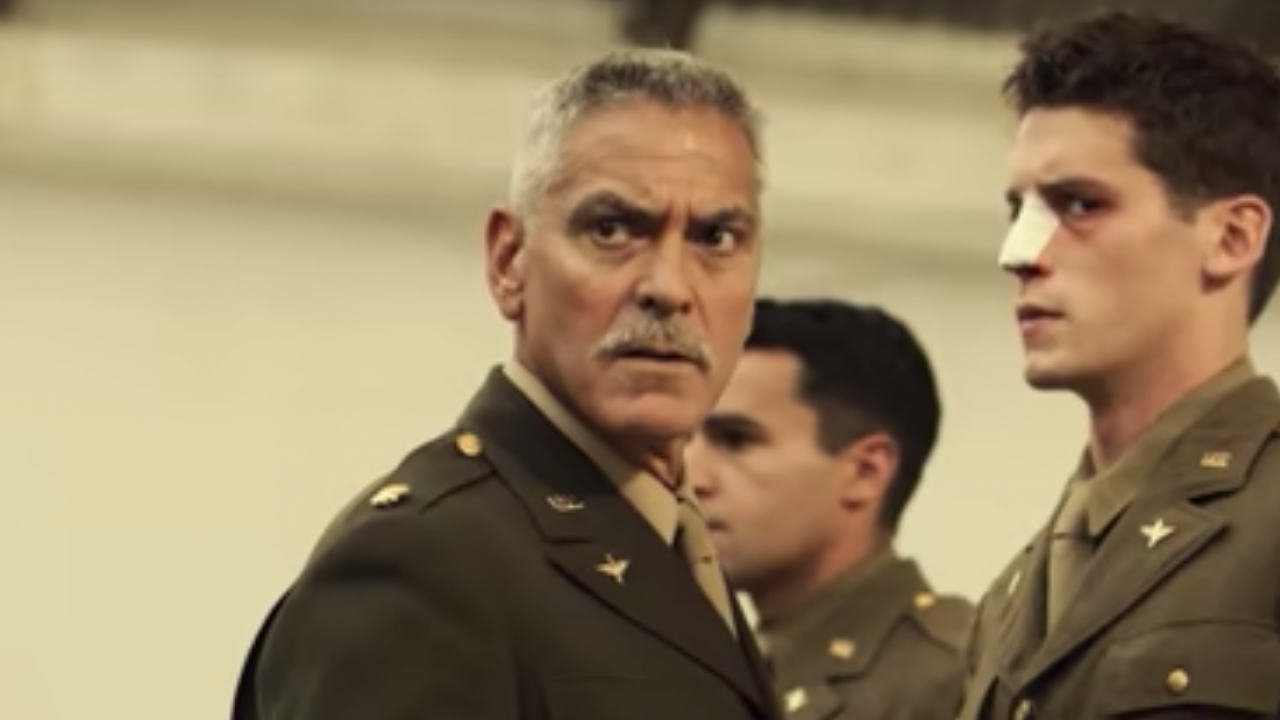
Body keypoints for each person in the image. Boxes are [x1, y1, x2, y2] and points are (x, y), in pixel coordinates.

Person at [232, 48, 778, 720]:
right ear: (508, 261)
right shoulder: (425, 560)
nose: (668, 287)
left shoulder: (677, 549)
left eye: (716, 238)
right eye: (612, 230)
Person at [962, 11, 1280, 720]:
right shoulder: (1013, 598)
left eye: (1079, 205)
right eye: (1018, 210)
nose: (1018, 253)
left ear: (1231, 238)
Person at [687, 298, 972, 720]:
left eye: (736, 440)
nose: (689, 477)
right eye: (680, 439)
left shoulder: (958, 678)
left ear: (864, 472)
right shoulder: (725, 669)